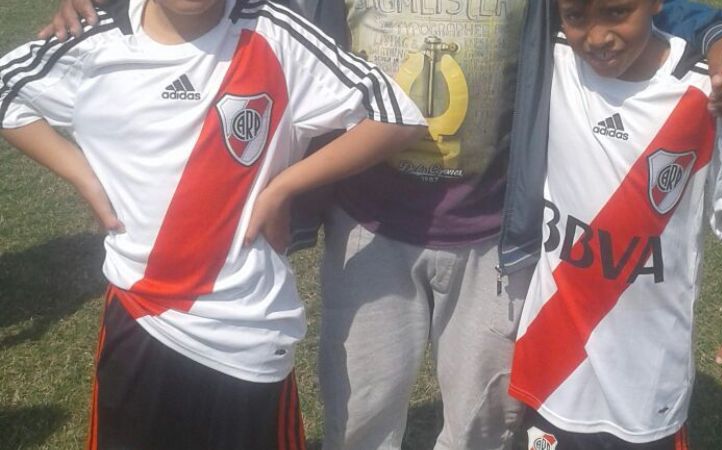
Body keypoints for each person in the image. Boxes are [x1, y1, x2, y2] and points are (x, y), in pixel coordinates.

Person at [42, 0, 722, 449]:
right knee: (361, 411)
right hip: (371, 224)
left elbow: (642, 9)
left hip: (490, 231)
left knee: (484, 423)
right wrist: (107, 3)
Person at [0, 0, 425, 448]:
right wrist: (82, 175)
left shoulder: (276, 33)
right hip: (141, 318)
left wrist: (282, 185)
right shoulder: (94, 39)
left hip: (246, 332)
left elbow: (396, 117)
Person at [508, 0, 722, 448]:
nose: (597, 37)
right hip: (552, 359)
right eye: (576, 17)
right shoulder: (553, 57)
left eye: (617, 13)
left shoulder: (708, 88)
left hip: (647, 376)